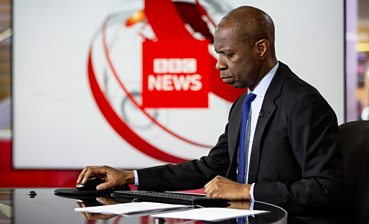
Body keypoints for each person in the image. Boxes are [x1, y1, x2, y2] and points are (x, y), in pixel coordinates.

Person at [77, 5, 343, 220]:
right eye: (218, 54)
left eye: (228, 54)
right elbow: (209, 167)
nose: (218, 65)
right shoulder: (243, 105)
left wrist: (246, 191)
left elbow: (325, 189)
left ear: (260, 49)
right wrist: (130, 177)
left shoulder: (303, 103)